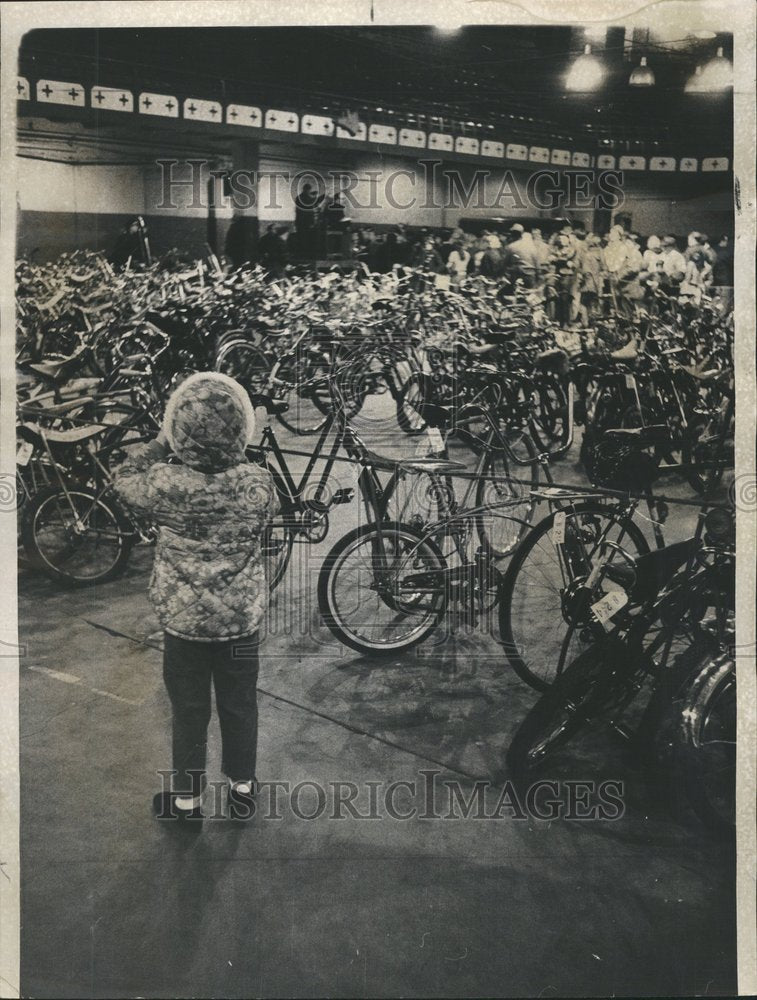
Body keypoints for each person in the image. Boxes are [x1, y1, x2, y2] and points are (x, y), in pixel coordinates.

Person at [113, 372, 277, 823]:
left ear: (177, 429)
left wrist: (161, 442)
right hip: (240, 621)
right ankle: (242, 793)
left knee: (188, 711)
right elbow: (270, 515)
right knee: (240, 704)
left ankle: (187, 803)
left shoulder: (162, 482)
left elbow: (123, 476)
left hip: (184, 626)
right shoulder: (257, 484)